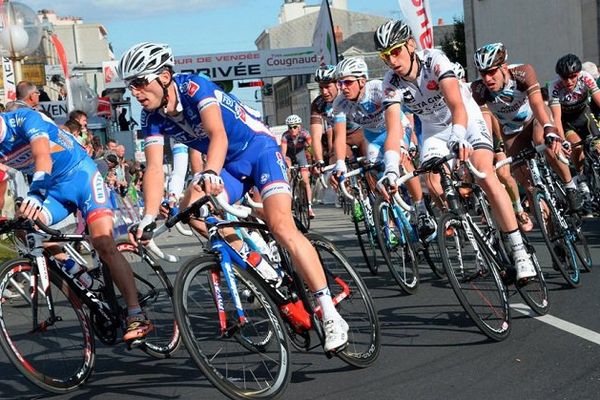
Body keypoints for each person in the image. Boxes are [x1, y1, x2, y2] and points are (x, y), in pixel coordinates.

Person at [118, 42, 349, 352]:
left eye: (139, 82)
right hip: (228, 165)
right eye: (130, 85)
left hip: (259, 150)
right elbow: (155, 168)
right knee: (191, 212)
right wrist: (146, 217)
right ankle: (258, 263)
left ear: (163, 76)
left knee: (281, 227)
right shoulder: (151, 118)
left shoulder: (194, 87)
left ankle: (331, 313)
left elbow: (218, 135)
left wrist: (210, 172)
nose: (134, 91)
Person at [374, 19, 536, 280]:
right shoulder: (391, 82)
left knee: (484, 173)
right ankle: (469, 227)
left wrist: (460, 136)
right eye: (386, 55)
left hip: (465, 119)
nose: (392, 60)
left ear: (410, 45)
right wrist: (391, 168)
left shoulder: (435, 60)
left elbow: (457, 104)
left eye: (396, 51)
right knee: (434, 182)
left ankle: (519, 250)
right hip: (434, 132)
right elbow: (393, 131)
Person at [0, 107, 153, 342]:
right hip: (55, 191)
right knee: (25, 229)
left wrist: (36, 193)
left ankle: (136, 313)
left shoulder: (22, 119)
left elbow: (43, 156)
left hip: (82, 176)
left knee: (103, 243)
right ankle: (80, 275)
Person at [470, 43, 580, 227]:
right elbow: (485, 120)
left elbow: (537, 103)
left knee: (543, 141)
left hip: (534, 119)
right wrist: (486, 147)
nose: (487, 78)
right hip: (511, 131)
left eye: (491, 72)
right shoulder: (479, 90)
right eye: (483, 73)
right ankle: (552, 232)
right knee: (526, 183)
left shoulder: (522, 73)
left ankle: (570, 186)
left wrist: (548, 127)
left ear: (504, 67)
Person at [330, 56, 435, 237]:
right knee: (374, 171)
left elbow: (400, 116)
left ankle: (421, 209)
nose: (343, 88)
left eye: (347, 82)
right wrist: (339, 162)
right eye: (340, 83)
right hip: (373, 137)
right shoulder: (340, 103)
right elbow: (339, 137)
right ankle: (394, 217)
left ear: (362, 80)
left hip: (396, 128)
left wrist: (404, 145)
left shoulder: (378, 89)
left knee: (401, 162)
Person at [549, 53, 600, 198]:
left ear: (578, 73)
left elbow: (598, 99)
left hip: (584, 116)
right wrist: (562, 140)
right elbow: (557, 118)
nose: (569, 81)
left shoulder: (586, 77)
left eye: (573, 76)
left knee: (598, 146)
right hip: (567, 122)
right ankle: (582, 177)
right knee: (576, 147)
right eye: (565, 77)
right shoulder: (555, 86)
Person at [280, 114, 315, 218]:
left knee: (305, 181)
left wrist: (313, 160)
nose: (292, 129)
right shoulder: (285, 136)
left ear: (299, 127)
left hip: (301, 155)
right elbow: (283, 153)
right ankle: (290, 200)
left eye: (294, 127)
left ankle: (309, 208)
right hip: (289, 156)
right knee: (287, 168)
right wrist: (285, 166)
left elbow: (311, 148)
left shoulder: (305, 134)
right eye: (290, 127)